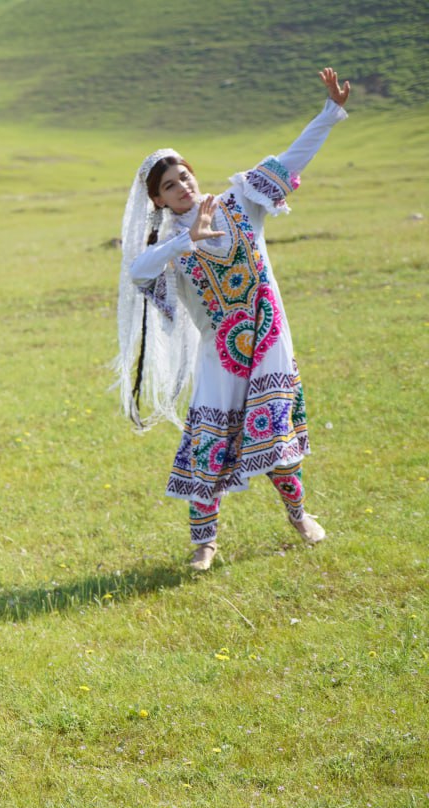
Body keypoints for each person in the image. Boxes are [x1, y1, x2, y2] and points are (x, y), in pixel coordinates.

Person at [114, 69, 350, 571]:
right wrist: (186, 240)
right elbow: (136, 273)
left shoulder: (241, 200)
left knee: (278, 434)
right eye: (168, 185)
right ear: (156, 200)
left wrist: (329, 113)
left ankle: (299, 514)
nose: (181, 186)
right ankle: (205, 543)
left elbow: (291, 160)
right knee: (210, 444)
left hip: (269, 342)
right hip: (218, 354)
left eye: (184, 176)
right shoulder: (168, 247)